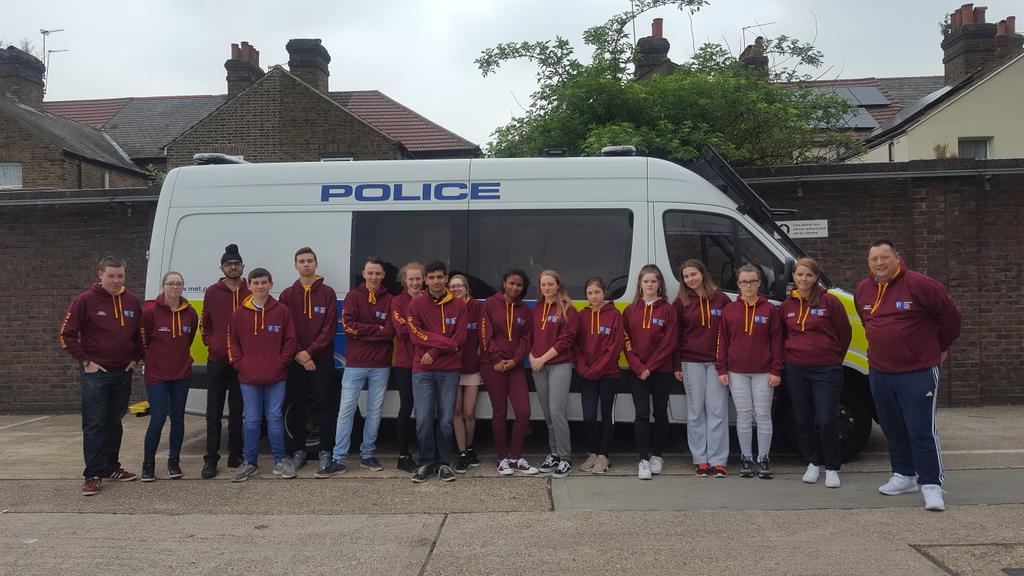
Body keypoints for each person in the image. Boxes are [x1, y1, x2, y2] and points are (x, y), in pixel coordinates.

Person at [854, 240, 961, 511]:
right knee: (892, 427)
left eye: (884, 257)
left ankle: (931, 484)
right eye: (874, 259)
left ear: (897, 258)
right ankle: (903, 475)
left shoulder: (921, 285)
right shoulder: (863, 289)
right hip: (880, 371)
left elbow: (951, 317)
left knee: (921, 429)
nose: (879, 263)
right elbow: (868, 322)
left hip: (918, 370)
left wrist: (940, 347)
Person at [60, 256, 144, 496]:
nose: (116, 281)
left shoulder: (132, 301)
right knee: (95, 424)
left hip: (122, 373)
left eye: (120, 276)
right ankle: (93, 474)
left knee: (114, 423)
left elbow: (141, 336)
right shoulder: (84, 301)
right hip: (96, 375)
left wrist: (135, 359)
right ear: (100, 275)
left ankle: (111, 467)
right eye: (111, 276)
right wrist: (86, 361)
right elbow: (66, 335)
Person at [317, 257, 394, 477]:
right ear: (363, 273)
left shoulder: (390, 299)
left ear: (383, 275)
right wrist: (375, 331)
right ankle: (339, 458)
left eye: (377, 273)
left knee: (374, 411)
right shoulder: (352, 297)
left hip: (381, 365)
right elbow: (349, 327)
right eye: (370, 273)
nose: (374, 277)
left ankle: (367, 454)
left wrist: (367, 332)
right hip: (355, 364)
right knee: (345, 412)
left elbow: (390, 331)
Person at [782, 257, 852, 489]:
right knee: (802, 419)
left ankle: (832, 467)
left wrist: (831, 358)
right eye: (800, 274)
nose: (804, 279)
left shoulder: (830, 302)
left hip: (826, 369)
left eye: (809, 275)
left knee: (827, 419)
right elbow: (783, 336)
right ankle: (812, 462)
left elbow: (845, 333)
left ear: (816, 278)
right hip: (796, 369)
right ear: (793, 276)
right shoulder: (787, 305)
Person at [227, 268, 298, 482]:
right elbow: (232, 342)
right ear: (248, 285)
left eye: (264, 282)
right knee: (252, 419)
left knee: (275, 418)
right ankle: (250, 462)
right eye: (256, 282)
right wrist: (241, 365)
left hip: (276, 376)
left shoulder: (281, 311)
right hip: (249, 377)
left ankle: (279, 461)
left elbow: (290, 340)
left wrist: (281, 363)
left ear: (271, 284)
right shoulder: (239, 314)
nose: (260, 286)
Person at [716, 264, 783, 480]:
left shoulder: (769, 310)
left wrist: (776, 370)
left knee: (762, 415)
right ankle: (746, 457)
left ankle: (763, 458)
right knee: (744, 416)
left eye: (752, 281)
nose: (748, 285)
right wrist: (722, 368)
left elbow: (777, 342)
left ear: (759, 283)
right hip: (736, 372)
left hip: (764, 372)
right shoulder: (729, 310)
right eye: (744, 281)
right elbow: (722, 342)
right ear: (738, 284)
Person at [279, 247, 340, 473]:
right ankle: (298, 451)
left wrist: (310, 353)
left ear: (316, 264)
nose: (306, 264)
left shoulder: (328, 293)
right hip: (296, 360)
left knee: (325, 405)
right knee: (298, 405)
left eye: (309, 261)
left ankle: (325, 450)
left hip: (322, 359)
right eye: (301, 261)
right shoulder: (287, 294)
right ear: (296, 265)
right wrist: (299, 354)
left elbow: (329, 328)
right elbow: (286, 328)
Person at [405, 261, 468, 482]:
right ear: (425, 279)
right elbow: (415, 334)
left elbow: (460, 338)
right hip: (422, 370)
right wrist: (443, 346)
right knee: (423, 419)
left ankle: (443, 464)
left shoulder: (459, 305)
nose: (435, 281)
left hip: (449, 371)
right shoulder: (416, 305)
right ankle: (426, 463)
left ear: (446, 278)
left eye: (439, 277)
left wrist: (433, 351)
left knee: (445, 421)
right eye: (431, 277)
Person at [672, 259, 732, 478]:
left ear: (702, 274)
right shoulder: (681, 301)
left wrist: (724, 363)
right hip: (690, 362)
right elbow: (675, 335)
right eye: (686, 276)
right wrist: (677, 363)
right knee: (696, 411)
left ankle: (718, 460)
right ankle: (700, 459)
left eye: (693, 274)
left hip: (717, 363)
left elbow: (728, 334)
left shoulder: (722, 299)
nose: (690, 279)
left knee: (717, 410)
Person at [139, 271, 199, 482]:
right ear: (163, 286)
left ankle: (174, 461)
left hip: (181, 374)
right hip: (157, 376)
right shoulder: (150, 313)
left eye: (179, 284)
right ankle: (148, 464)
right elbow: (143, 342)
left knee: (178, 419)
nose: (175, 287)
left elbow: (188, 340)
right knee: (157, 419)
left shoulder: (190, 313)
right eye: (171, 283)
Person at [480, 269, 539, 476]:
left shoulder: (525, 310)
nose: (515, 288)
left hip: (515, 367)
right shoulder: (489, 304)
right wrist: (496, 359)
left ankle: (515, 457)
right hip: (492, 365)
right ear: (504, 283)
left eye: (519, 285)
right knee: (500, 412)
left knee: (524, 412)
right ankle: (502, 459)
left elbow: (526, 339)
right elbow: (485, 333)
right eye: (512, 283)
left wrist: (514, 361)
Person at [622, 264, 678, 480]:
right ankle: (643, 459)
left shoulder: (668, 310)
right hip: (637, 372)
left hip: (661, 371)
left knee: (661, 413)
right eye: (646, 281)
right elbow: (625, 340)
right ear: (640, 284)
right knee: (642, 414)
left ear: (659, 284)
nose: (650, 285)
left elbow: (669, 342)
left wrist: (650, 367)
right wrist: (638, 366)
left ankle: (657, 455)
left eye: (653, 281)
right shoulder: (630, 310)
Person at [200, 244, 250, 479]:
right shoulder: (212, 292)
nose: (233, 267)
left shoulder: (251, 291)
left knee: (238, 409)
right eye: (229, 264)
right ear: (222, 267)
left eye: (237, 264)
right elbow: (205, 324)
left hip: (241, 361)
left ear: (242, 267)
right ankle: (210, 459)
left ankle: (235, 454)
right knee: (214, 411)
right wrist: (213, 342)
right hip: (217, 359)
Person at [529, 270, 579, 479]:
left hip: (558, 365)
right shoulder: (538, 308)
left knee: (557, 412)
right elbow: (530, 336)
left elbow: (566, 340)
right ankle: (554, 454)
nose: (547, 288)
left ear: (558, 285)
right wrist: (532, 357)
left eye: (550, 284)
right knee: (548, 414)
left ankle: (566, 458)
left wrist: (542, 359)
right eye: (543, 284)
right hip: (538, 367)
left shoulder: (568, 309)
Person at [573, 277, 624, 475]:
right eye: (590, 293)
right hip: (586, 374)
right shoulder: (581, 315)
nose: (593, 296)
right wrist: (584, 368)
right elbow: (575, 346)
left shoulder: (615, 315)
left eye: (597, 292)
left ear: (604, 293)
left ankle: (604, 455)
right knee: (588, 415)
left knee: (606, 415)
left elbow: (615, 346)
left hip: (608, 374)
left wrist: (597, 369)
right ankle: (593, 452)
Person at [390, 262, 425, 473]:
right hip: (404, 362)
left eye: (418, 278)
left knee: (426, 409)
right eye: (411, 279)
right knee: (406, 406)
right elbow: (401, 331)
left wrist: (414, 327)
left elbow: (436, 328)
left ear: (424, 279)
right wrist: (421, 329)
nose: (414, 282)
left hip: (426, 362)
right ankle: (403, 455)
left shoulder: (430, 299)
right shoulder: (397, 301)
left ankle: (427, 454)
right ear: (405, 281)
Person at [449, 274, 483, 474]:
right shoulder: (447, 307)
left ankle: (470, 448)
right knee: (456, 413)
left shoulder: (477, 307)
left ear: (467, 288)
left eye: (459, 286)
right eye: (452, 286)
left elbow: (483, 336)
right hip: (452, 367)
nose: (455, 289)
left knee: (469, 412)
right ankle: (462, 453)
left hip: (472, 368)